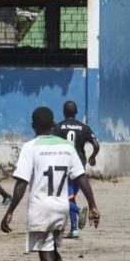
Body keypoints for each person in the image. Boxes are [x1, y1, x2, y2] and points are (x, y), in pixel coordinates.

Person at [1, 107, 100, 261]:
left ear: (33, 125)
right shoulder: (67, 147)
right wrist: (92, 205)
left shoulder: (30, 147)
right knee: (54, 251)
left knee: (45, 256)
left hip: (41, 207)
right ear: (53, 124)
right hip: (61, 207)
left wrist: (9, 211)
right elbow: (81, 177)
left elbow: (21, 183)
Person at [53, 100, 100, 238]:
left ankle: (79, 212)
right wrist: (92, 157)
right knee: (70, 196)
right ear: (76, 112)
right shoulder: (84, 127)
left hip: (63, 166)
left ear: (63, 112)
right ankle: (73, 229)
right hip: (78, 166)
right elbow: (96, 145)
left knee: (61, 197)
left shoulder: (58, 127)